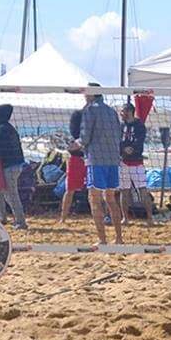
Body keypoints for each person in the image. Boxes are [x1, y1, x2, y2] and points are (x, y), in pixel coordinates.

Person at [76, 94, 125, 244]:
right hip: (113, 158)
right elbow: (119, 135)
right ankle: (118, 239)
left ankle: (102, 240)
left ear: (91, 94)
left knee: (94, 200)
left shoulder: (90, 110)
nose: (84, 95)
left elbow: (85, 137)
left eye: (85, 92)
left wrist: (75, 144)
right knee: (110, 199)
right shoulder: (112, 111)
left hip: (97, 159)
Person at [0, 104, 29, 230]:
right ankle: (1, 217)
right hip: (13, 165)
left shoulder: (2, 129)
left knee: (11, 194)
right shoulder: (8, 127)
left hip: (10, 166)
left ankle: (21, 222)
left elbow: (1, 150)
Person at [118, 101, 157, 225]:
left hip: (137, 163)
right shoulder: (120, 126)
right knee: (124, 191)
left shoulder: (139, 125)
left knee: (142, 190)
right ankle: (125, 218)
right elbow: (117, 141)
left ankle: (150, 218)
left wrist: (131, 148)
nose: (121, 113)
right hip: (123, 162)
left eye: (123, 111)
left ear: (129, 112)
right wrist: (123, 149)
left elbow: (139, 141)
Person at [60, 143, 86, 220]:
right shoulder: (71, 157)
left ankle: (102, 215)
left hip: (87, 159)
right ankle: (63, 217)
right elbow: (70, 148)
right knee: (69, 191)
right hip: (75, 159)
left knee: (94, 191)